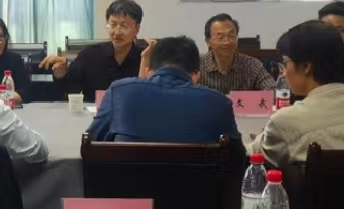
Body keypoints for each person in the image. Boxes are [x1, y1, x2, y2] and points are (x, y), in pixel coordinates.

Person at [249, 21, 344, 170]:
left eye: (285, 63)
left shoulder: (285, 120)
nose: (284, 72)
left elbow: (253, 154)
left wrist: (264, 135)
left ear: (306, 67)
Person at [87, 36, 239, 143]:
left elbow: (92, 142)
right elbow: (236, 157)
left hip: (128, 180)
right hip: (197, 181)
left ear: (149, 71)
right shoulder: (219, 103)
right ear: (196, 76)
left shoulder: (119, 92)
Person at [39, 0, 145, 101]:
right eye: (113, 25)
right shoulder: (90, 55)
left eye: (124, 26)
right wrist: (61, 74)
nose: (117, 32)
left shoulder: (144, 58)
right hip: (94, 112)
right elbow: (69, 87)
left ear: (136, 29)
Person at [198, 14, 276, 94]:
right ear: (208, 42)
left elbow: (273, 91)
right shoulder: (197, 65)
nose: (227, 42)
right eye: (220, 37)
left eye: (231, 36)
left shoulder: (252, 65)